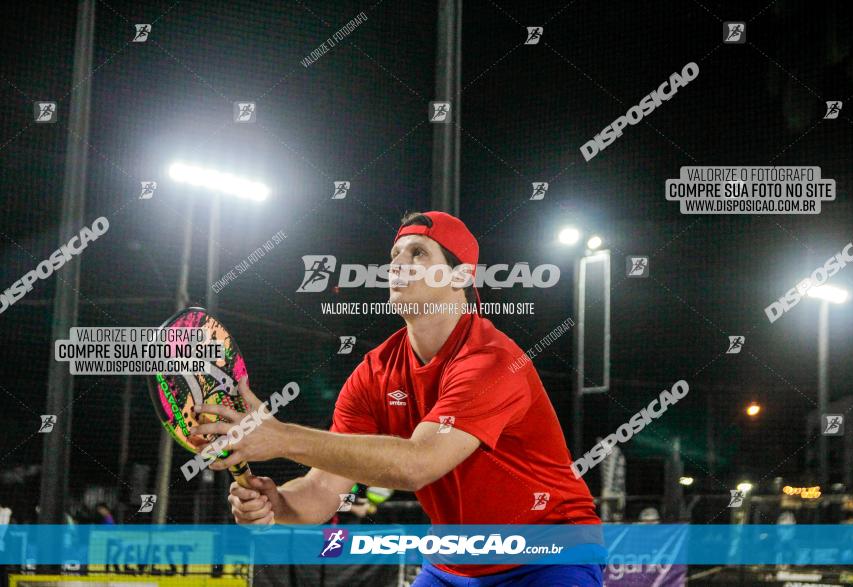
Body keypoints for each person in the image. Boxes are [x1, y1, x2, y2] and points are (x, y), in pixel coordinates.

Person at [193, 211, 602, 585]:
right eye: (395, 254)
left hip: (550, 553)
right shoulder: (374, 373)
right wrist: (276, 503)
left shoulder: (491, 361)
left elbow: (417, 464)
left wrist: (281, 437)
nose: (398, 264)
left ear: (461, 277)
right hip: (452, 562)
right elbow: (322, 491)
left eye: (419, 253)